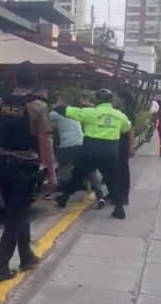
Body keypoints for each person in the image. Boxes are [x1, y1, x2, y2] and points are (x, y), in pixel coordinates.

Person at [0, 61, 57, 282]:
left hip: (1, 163)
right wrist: (51, 171)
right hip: (24, 167)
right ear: (34, 82)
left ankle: (26, 256)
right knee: (16, 215)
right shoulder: (38, 106)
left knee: (18, 211)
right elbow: (44, 142)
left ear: (15, 79)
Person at [54, 89, 132, 219]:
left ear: (97, 100)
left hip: (91, 150)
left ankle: (64, 197)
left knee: (77, 175)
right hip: (110, 151)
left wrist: (57, 107)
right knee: (113, 180)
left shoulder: (90, 113)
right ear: (110, 100)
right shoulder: (120, 115)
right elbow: (126, 127)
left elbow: (68, 111)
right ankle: (119, 209)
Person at [49, 93, 109, 209]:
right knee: (89, 171)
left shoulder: (55, 112)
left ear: (60, 101)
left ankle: (62, 192)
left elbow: (43, 123)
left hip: (67, 146)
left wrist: (54, 108)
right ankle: (100, 196)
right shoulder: (75, 111)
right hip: (81, 144)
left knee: (64, 167)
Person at [117, 90, 137, 205]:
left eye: (118, 97)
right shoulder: (124, 111)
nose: (115, 99)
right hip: (120, 143)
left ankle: (123, 196)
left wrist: (131, 147)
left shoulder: (127, 112)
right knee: (120, 169)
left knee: (122, 170)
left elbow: (131, 130)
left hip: (123, 143)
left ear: (123, 99)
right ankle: (120, 195)